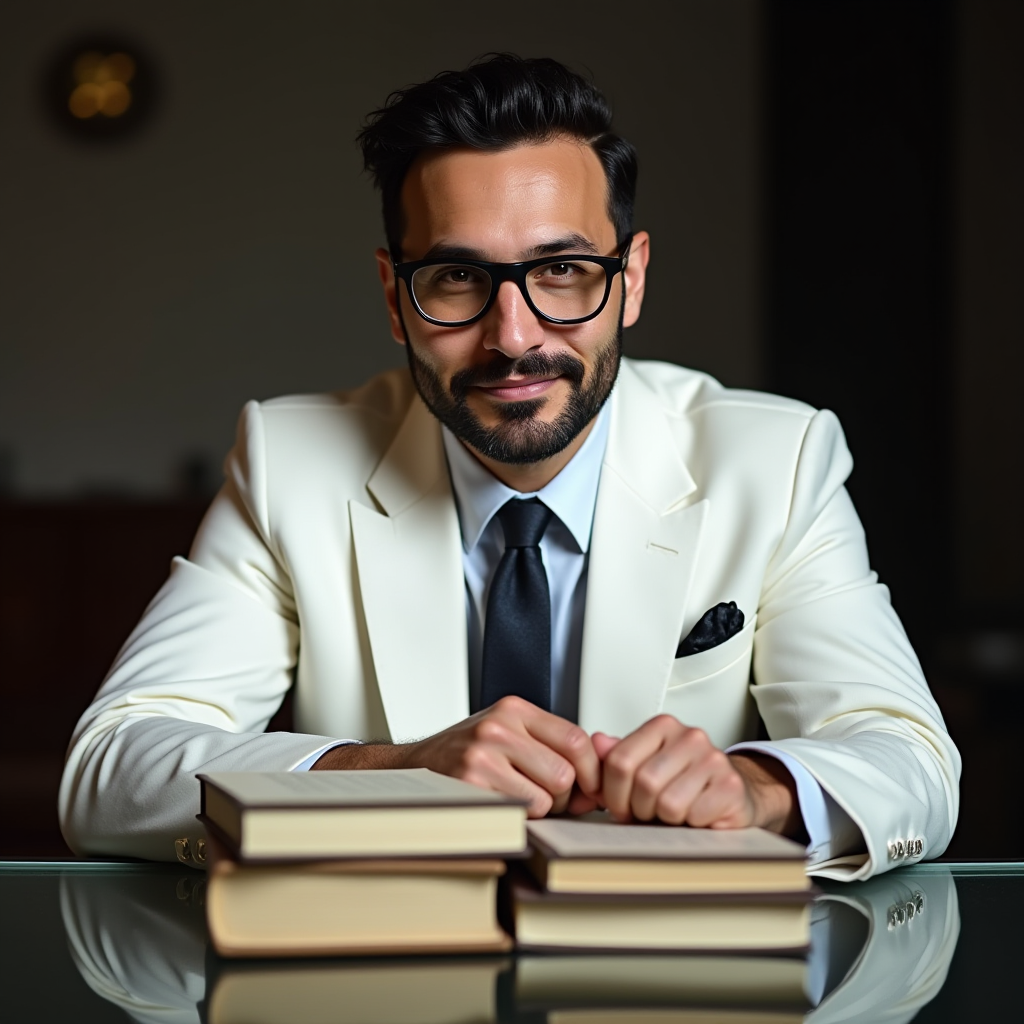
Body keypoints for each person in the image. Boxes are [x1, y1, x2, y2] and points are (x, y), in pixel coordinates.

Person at [59, 55, 959, 879]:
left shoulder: (777, 459)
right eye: (456, 279)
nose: (515, 336)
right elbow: (111, 770)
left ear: (632, 279)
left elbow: (908, 759)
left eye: (563, 269)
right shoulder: (290, 462)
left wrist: (759, 789)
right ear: (394, 297)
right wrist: (401, 769)